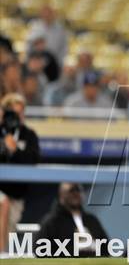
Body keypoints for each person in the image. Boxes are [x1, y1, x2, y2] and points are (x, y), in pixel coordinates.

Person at [0, 93, 41, 252]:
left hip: (17, 195)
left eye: (21, 112)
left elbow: (33, 159)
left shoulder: (29, 135)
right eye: (14, 112)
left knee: (8, 229)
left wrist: (15, 150)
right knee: (3, 204)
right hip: (1, 191)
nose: (19, 116)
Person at [35, 183, 108, 257]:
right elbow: (40, 250)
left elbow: (105, 247)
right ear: (61, 195)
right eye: (71, 191)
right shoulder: (52, 222)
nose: (76, 194)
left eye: (78, 190)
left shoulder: (91, 220)